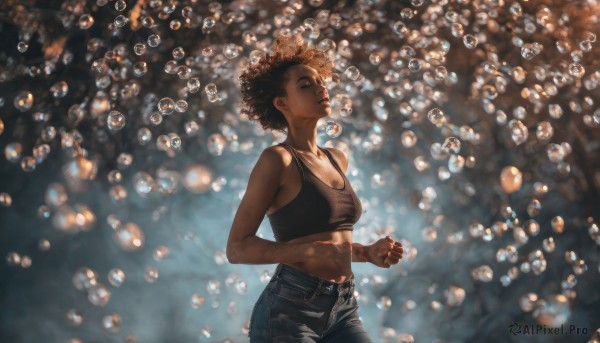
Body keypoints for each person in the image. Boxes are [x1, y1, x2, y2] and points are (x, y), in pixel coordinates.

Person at [226, 35, 404, 343]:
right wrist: (300, 250)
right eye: (305, 85)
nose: (321, 88)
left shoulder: (338, 159)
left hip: (344, 306)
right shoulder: (277, 160)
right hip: (289, 311)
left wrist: (367, 253)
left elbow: (330, 243)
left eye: (320, 81)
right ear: (282, 103)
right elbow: (237, 248)